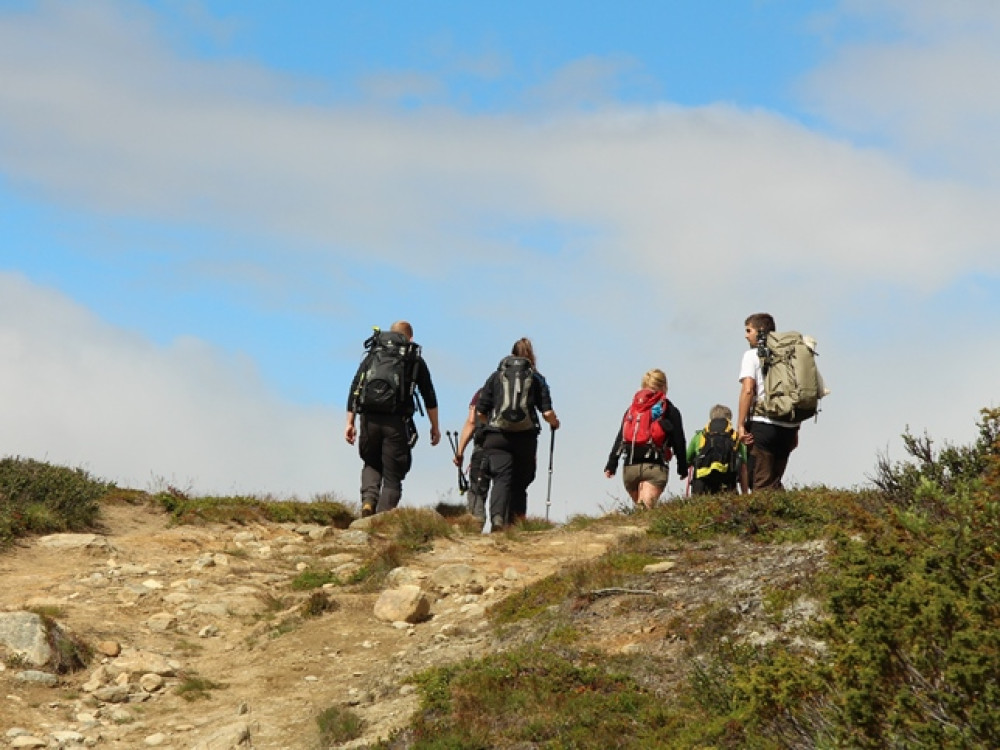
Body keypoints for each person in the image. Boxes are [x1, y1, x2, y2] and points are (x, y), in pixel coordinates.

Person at [344, 320, 440, 516]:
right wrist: (434, 427)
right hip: (396, 422)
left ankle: (368, 502)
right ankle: (381, 518)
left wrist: (349, 422)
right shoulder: (413, 358)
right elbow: (429, 395)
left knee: (371, 462)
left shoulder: (374, 353)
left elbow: (356, 386)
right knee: (393, 474)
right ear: (410, 337)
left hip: (368, 418)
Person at [475, 338, 559, 531]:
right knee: (520, 484)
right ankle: (515, 525)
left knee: (501, 479)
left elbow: (481, 410)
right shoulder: (537, 378)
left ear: (511, 354)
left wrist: (487, 427)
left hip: (497, 436)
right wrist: (555, 423)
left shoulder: (496, 376)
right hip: (525, 438)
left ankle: (496, 520)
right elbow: (547, 413)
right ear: (531, 356)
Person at [604, 368, 688, 510]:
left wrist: (612, 464)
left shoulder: (632, 410)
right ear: (664, 387)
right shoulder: (670, 410)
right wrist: (682, 467)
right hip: (654, 466)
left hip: (629, 467)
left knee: (640, 511)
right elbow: (679, 441)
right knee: (644, 512)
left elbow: (621, 437)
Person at [737, 312, 799, 491]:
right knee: (773, 481)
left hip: (763, 425)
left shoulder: (752, 355)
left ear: (761, 331)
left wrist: (741, 425)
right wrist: (795, 429)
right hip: (788, 425)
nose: (746, 335)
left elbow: (748, 390)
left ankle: (765, 519)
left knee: (759, 483)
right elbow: (797, 392)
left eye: (749, 330)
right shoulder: (789, 356)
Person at [685, 404, 749, 495]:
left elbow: (687, 460)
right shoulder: (735, 437)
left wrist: (683, 471)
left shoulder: (699, 436)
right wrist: (745, 493)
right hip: (728, 484)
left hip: (701, 484)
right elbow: (743, 468)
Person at [453, 389, 491, 529]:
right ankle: (503, 525)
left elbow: (471, 421)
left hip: (482, 447)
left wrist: (460, 451)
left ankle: (476, 524)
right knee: (503, 487)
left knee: (477, 489)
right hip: (507, 449)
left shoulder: (482, 393)